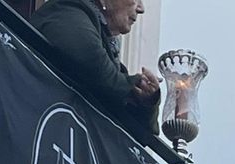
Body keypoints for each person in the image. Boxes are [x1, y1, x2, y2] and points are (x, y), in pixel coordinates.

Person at [31, 0, 161, 135]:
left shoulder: (110, 54)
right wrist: (135, 85)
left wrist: (147, 102)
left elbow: (139, 132)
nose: (141, 8)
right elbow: (95, 66)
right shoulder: (67, 10)